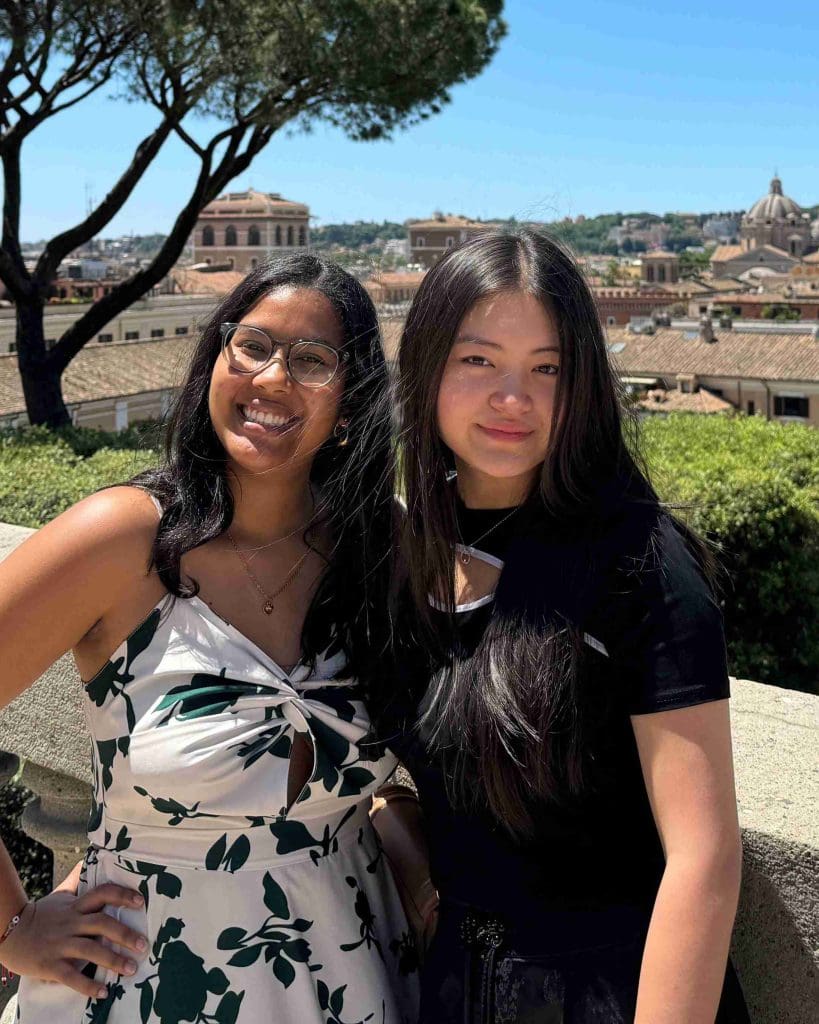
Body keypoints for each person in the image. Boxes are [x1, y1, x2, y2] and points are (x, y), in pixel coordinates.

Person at [0, 255, 419, 1023]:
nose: (270, 379)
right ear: (214, 363)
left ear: (352, 401)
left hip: (356, 972)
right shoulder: (123, 538)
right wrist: (12, 926)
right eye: (251, 346)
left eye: (311, 361)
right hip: (149, 984)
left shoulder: (380, 545)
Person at [388, 229, 750, 1023]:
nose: (512, 398)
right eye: (477, 360)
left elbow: (703, 859)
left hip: (604, 992)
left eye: (546, 368)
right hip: (451, 987)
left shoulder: (638, 562)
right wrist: (415, 860)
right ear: (425, 368)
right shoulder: (407, 553)